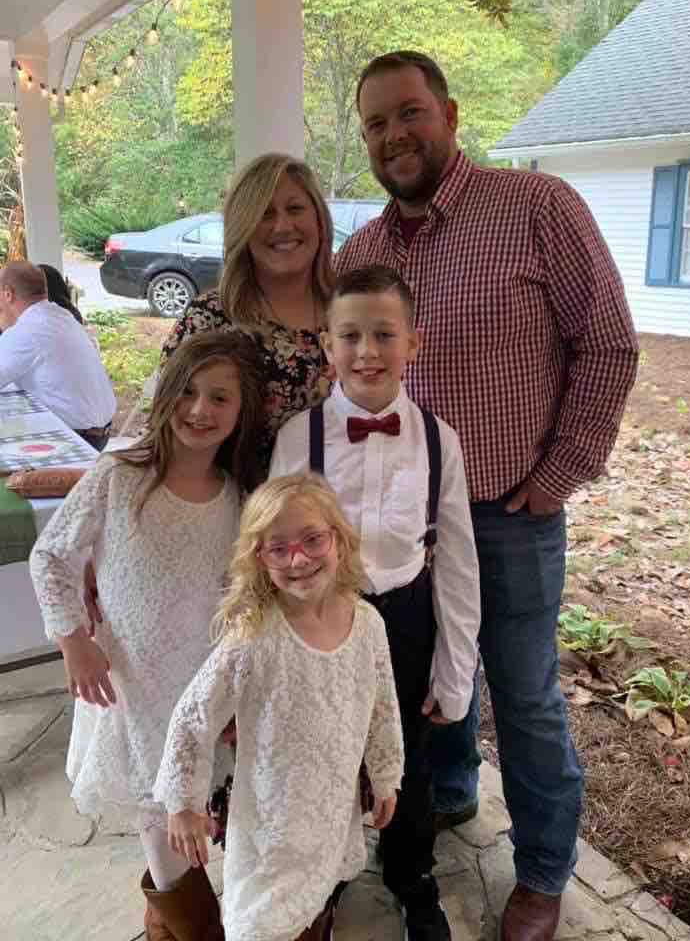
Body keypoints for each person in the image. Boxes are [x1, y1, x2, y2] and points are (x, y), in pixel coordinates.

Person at [336, 52, 639, 941]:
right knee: (428, 675)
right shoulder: (362, 251)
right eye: (376, 124)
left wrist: (557, 476)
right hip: (402, 524)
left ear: (451, 115)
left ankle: (543, 871)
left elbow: (608, 344)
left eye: (409, 113)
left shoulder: (536, 207)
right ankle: (453, 792)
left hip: (509, 510)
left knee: (525, 696)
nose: (394, 135)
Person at [29, 330, 266, 941]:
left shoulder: (237, 499)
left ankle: (168, 919)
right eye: (188, 392)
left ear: (240, 413)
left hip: (197, 684)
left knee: (186, 811)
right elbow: (51, 555)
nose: (200, 409)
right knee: (156, 815)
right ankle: (196, 927)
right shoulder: (120, 475)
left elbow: (239, 596)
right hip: (130, 685)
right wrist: (73, 640)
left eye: (220, 398)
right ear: (165, 394)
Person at [269, 265, 481, 941]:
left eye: (384, 335)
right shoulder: (298, 438)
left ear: (413, 344)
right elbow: (270, 550)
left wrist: (455, 672)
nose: (367, 352)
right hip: (322, 616)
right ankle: (320, 882)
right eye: (350, 336)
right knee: (323, 752)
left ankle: (412, 877)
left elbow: (458, 563)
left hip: (406, 618)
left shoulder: (439, 441)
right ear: (327, 346)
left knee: (409, 759)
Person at [154, 472, 404, 941]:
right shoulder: (254, 637)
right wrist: (182, 803)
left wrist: (386, 773)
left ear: (339, 539)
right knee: (259, 923)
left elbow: (383, 706)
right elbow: (192, 716)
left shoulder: (368, 624)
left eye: (313, 539)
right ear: (259, 558)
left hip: (331, 806)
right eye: (279, 548)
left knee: (319, 895)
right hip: (271, 821)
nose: (299, 559)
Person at [159, 152, 336, 474]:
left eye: (295, 209)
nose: (282, 226)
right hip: (239, 504)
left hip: (349, 502)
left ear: (320, 220)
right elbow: (166, 432)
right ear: (243, 226)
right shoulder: (209, 319)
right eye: (264, 214)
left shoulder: (352, 314)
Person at [0, 261, 115, 450]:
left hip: (75, 438)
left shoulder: (29, 329)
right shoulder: (61, 315)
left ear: (8, 294)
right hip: (100, 432)